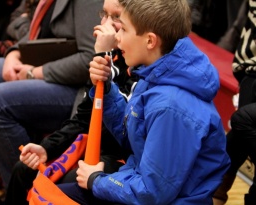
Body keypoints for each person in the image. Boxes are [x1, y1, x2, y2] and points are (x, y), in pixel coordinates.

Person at [52, 0, 230, 204]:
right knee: (53, 193)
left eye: (124, 30)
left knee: (54, 198)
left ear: (150, 41)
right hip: (139, 183)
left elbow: (153, 192)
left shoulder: (170, 107)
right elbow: (134, 136)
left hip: (163, 199)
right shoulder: (155, 74)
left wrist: (97, 181)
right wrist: (108, 90)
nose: (116, 38)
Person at [4, 0, 135, 204]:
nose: (105, 24)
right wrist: (47, 148)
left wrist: (102, 56)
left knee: (64, 183)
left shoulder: (138, 60)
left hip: (123, 157)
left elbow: (122, 126)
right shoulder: (115, 54)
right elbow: (83, 117)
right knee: (24, 169)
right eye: (104, 14)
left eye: (116, 17)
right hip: (95, 145)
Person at [0, 0, 103, 190]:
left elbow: (90, 59)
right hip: (39, 61)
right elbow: (24, 23)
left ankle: (23, 188)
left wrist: (34, 72)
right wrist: (14, 53)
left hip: (74, 85)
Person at [213, 0, 256, 204]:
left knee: (243, 123)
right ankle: (215, 193)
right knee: (241, 128)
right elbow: (242, 22)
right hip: (250, 68)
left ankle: (215, 193)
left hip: (250, 68)